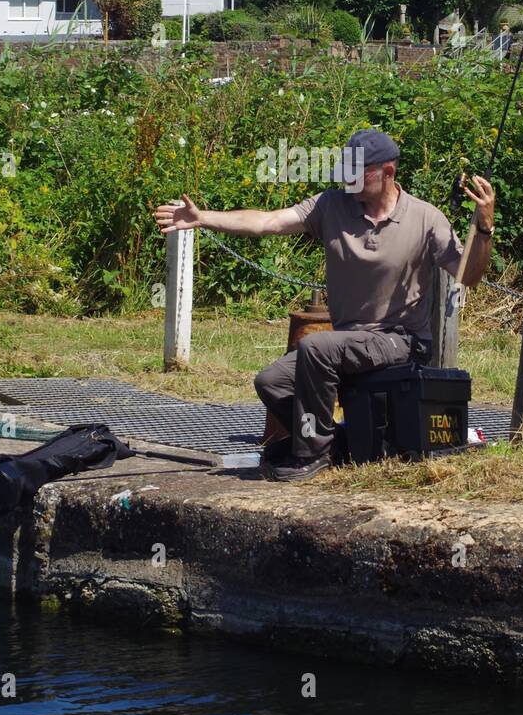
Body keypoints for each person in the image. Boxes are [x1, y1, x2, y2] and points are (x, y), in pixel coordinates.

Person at [154, 128, 495, 482]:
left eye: (356, 173)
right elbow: (268, 222)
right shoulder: (330, 205)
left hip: (401, 341)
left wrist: (484, 228)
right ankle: (336, 444)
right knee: (272, 381)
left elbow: (467, 275)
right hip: (348, 340)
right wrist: (202, 218)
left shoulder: (426, 218)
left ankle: (311, 456)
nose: (346, 180)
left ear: (388, 173)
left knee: (318, 345)